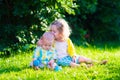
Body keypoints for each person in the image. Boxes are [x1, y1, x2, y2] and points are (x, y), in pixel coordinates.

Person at [37, 19, 107, 68]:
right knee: (70, 63)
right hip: (59, 59)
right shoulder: (52, 40)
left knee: (81, 58)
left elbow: (71, 49)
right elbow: (43, 43)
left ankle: (97, 62)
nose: (52, 33)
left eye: (54, 31)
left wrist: (73, 56)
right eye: (51, 30)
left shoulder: (67, 40)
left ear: (61, 33)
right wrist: (40, 42)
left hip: (69, 57)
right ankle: (82, 67)